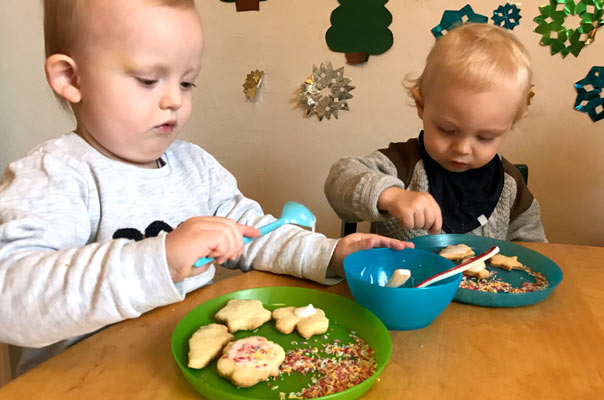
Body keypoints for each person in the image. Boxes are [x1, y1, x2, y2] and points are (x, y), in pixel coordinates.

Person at [0, 0, 412, 375]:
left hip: (179, 371)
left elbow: (255, 233)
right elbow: (11, 300)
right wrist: (158, 260)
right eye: (147, 80)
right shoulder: (53, 176)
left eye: (186, 83)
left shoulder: (194, 167)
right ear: (71, 77)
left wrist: (329, 254)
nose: (174, 101)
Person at [324, 23, 547, 243]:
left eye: (485, 137)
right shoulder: (401, 165)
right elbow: (339, 179)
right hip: (403, 280)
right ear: (421, 105)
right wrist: (390, 195)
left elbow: (534, 248)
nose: (462, 148)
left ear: (512, 123)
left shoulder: (509, 184)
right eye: (448, 130)